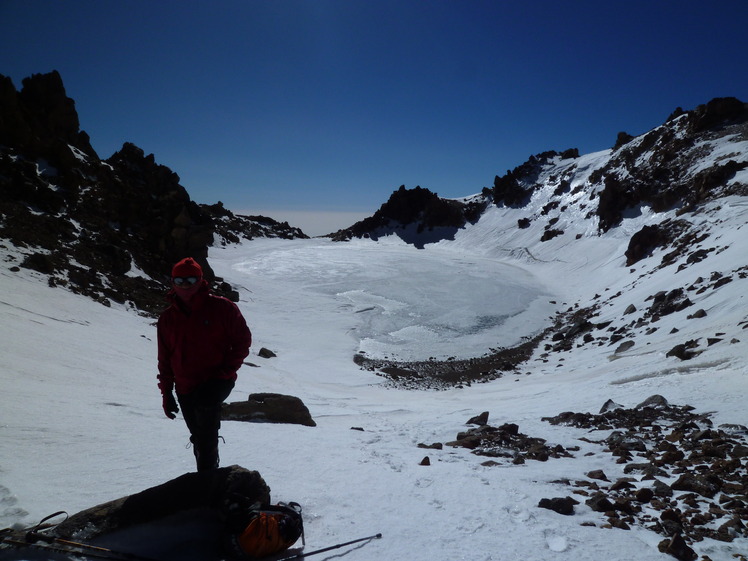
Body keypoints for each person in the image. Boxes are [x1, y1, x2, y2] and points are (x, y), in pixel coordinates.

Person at [157, 257, 252, 471]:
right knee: (198, 436)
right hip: (185, 386)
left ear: (201, 281)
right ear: (172, 282)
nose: (185, 286)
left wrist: (225, 373)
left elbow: (242, 340)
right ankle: (206, 479)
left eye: (190, 280)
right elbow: (164, 359)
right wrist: (166, 393)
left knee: (206, 432)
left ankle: (208, 482)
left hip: (216, 381)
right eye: (179, 281)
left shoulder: (222, 308)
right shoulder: (167, 319)